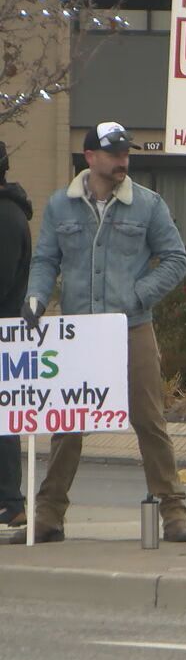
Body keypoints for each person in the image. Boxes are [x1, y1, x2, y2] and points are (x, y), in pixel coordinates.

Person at [18, 122, 186, 544]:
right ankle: (49, 514)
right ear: (90, 157)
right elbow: (45, 259)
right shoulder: (60, 206)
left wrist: (138, 296)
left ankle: (173, 511)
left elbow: (176, 258)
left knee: (149, 419)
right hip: (79, 333)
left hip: (132, 328)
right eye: (114, 153)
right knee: (67, 424)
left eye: (125, 153)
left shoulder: (147, 204)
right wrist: (36, 297)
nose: (122, 161)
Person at [0, 141, 33, 528]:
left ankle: (10, 500)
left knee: (2, 421)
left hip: (4, 329)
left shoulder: (6, 217)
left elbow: (3, 279)